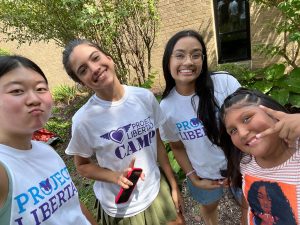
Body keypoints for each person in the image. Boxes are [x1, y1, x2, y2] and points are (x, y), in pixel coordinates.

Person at [62, 39, 184, 225]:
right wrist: (114, 176)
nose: (94, 68)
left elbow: (157, 143)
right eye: (83, 70)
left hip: (156, 190)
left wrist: (173, 184)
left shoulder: (144, 97)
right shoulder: (83, 120)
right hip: (122, 208)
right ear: (82, 82)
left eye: (95, 58)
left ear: (109, 59)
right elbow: (82, 166)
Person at [0, 55, 97, 225]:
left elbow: (72, 205)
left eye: (40, 88)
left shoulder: (46, 150)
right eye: (17, 91)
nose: (34, 99)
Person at [159, 29, 241, 225]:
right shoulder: (166, 108)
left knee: (248, 204)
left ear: (203, 60)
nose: (188, 61)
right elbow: (177, 146)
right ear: (168, 61)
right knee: (209, 208)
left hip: (240, 167)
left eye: (196, 55)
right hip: (205, 175)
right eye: (180, 55)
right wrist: (193, 177)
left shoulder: (224, 83)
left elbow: (249, 119)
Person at [219, 87, 300, 224]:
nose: (242, 133)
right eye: (233, 130)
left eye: (246, 118)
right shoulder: (245, 162)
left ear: (274, 113)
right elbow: (249, 205)